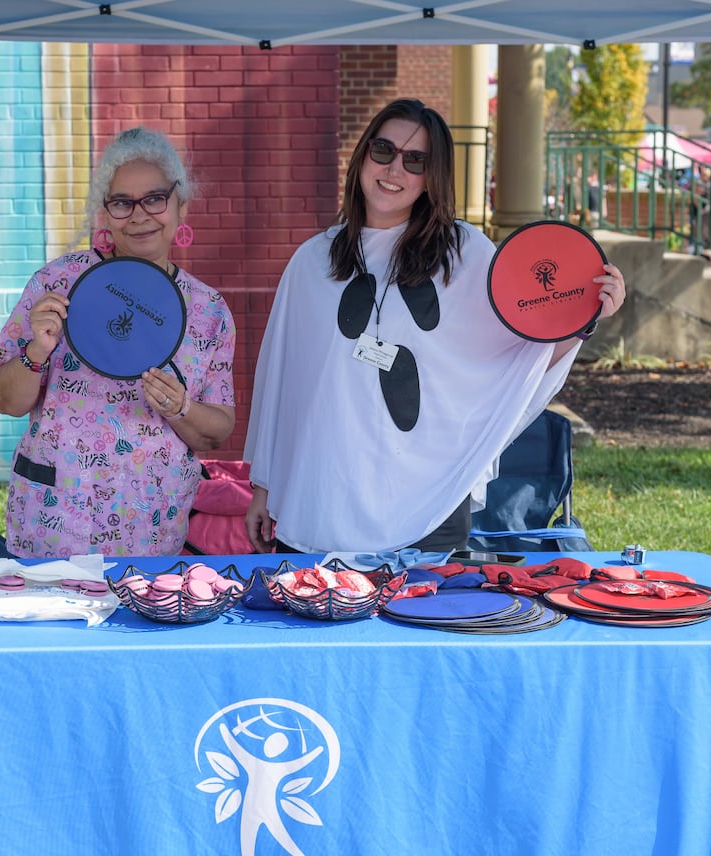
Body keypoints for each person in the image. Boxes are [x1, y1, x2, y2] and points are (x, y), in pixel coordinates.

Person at [243, 98, 626, 556]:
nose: (394, 169)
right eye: (383, 150)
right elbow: (282, 385)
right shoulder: (313, 261)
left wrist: (582, 317)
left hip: (428, 499)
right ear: (363, 155)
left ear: (433, 176)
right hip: (323, 494)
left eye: (415, 160)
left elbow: (520, 356)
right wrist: (264, 486)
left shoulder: (464, 256)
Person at [0, 127, 237, 558]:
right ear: (105, 212)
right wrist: (36, 351)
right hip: (56, 523)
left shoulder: (208, 311)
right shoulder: (59, 282)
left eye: (154, 199)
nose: (139, 216)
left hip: (150, 527)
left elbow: (217, 432)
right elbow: (5, 401)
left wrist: (181, 408)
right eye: (122, 202)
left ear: (181, 206)